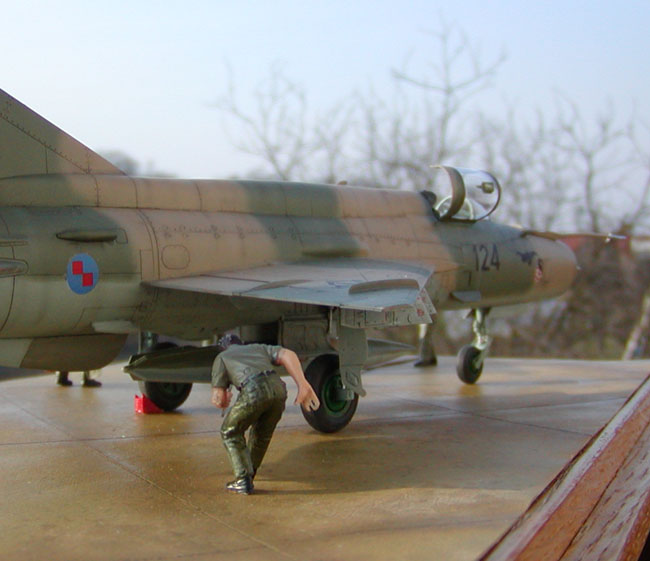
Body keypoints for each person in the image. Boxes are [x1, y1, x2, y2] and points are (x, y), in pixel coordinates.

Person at [211, 334, 320, 495]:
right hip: (278, 389)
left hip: (253, 388)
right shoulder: (257, 348)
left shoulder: (222, 357)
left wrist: (223, 401)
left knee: (230, 432)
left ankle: (243, 479)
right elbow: (287, 354)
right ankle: (250, 474)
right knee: (262, 434)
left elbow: (218, 398)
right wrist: (302, 384)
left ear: (223, 348)